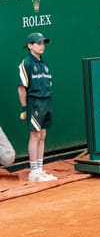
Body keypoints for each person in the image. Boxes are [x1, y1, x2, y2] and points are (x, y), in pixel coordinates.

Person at [18, 32, 56, 182]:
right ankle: (33, 172)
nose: (42, 46)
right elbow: (21, 88)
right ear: (30, 46)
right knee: (35, 135)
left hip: (47, 102)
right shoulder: (26, 63)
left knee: (42, 135)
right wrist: (24, 108)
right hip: (34, 103)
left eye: (43, 43)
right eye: (38, 43)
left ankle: (40, 170)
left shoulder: (44, 64)